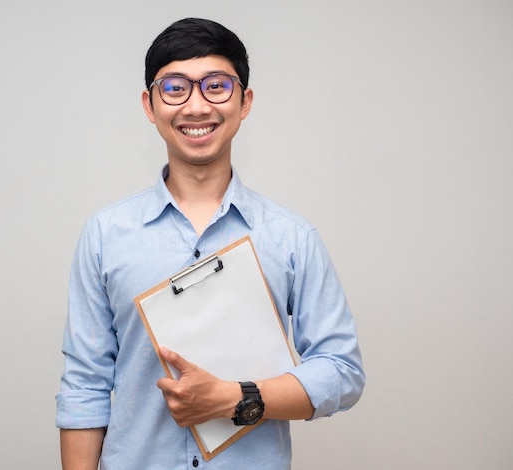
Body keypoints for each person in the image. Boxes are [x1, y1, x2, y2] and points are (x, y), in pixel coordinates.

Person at [56, 17, 365, 470]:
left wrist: (235, 399)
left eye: (217, 86)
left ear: (245, 101)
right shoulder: (105, 234)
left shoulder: (290, 237)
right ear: (149, 104)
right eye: (175, 87)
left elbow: (342, 371)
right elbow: (85, 385)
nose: (197, 106)